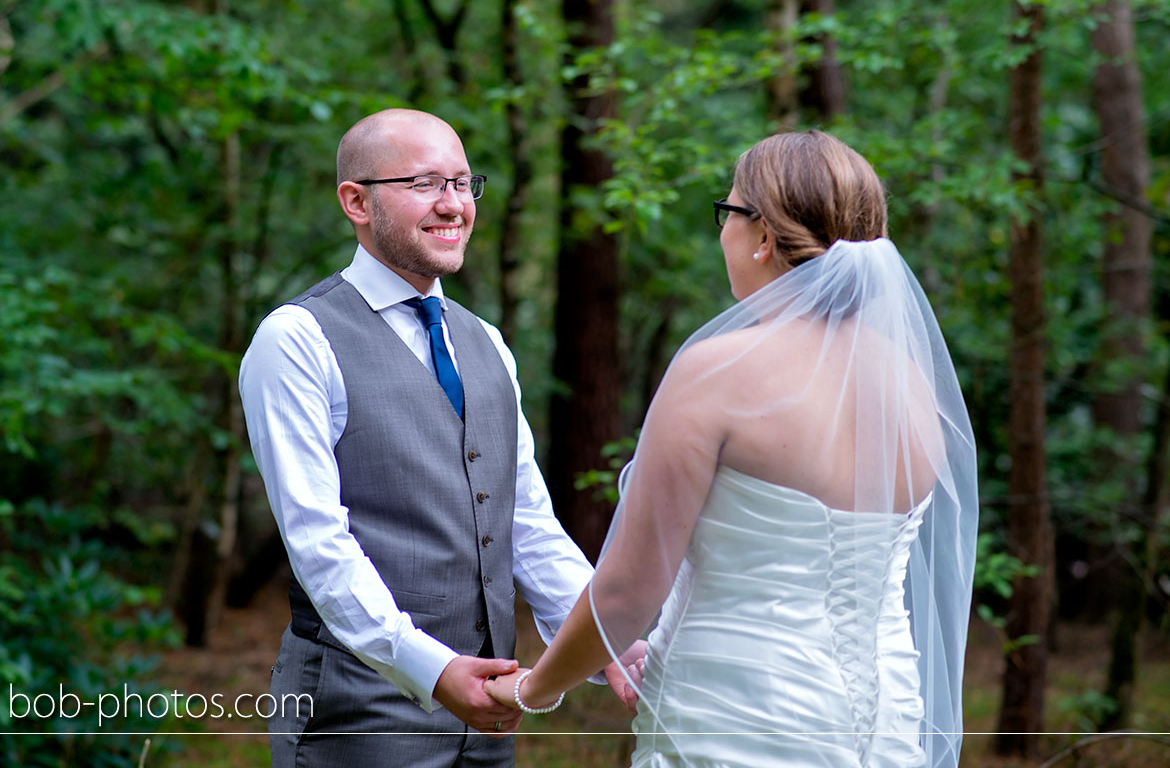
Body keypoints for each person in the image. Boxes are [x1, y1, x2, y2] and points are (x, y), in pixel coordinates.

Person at [485, 130, 979, 768]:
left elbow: (628, 592)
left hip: (733, 714)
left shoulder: (716, 372)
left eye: (728, 212)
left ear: (764, 236)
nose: (724, 233)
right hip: (886, 724)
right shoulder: (912, 386)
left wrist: (532, 688)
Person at [239, 108, 634, 768]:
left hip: (490, 723)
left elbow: (526, 526)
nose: (454, 204)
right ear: (356, 201)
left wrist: (611, 642)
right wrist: (431, 669)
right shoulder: (297, 340)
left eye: (463, 182)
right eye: (425, 183)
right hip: (356, 718)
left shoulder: (489, 345)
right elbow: (316, 542)